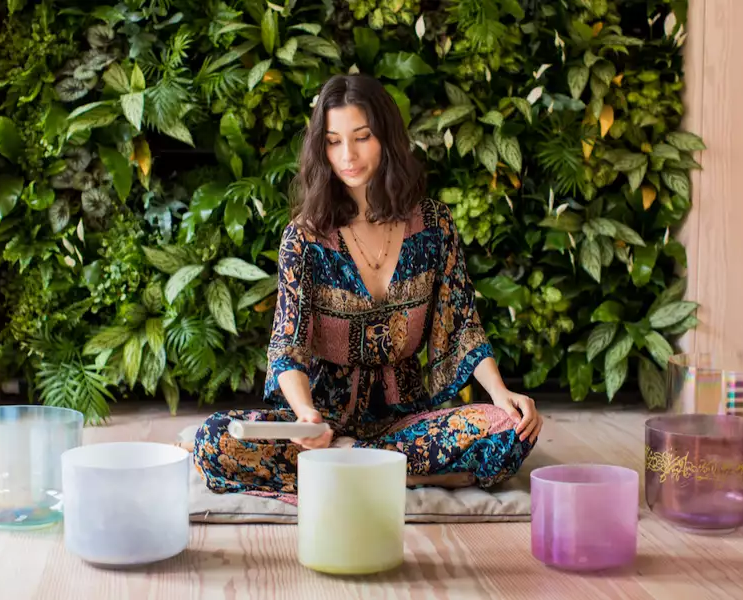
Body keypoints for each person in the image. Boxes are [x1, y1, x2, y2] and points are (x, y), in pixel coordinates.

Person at [190, 73, 543, 503]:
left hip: (406, 422)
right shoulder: (304, 239)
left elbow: (461, 323)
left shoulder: (433, 225)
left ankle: (354, 462)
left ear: (387, 138)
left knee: (511, 429)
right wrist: (305, 417)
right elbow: (287, 344)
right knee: (213, 440)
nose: (348, 156)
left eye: (361, 137)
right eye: (333, 141)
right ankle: (390, 470)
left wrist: (502, 393)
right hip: (321, 423)